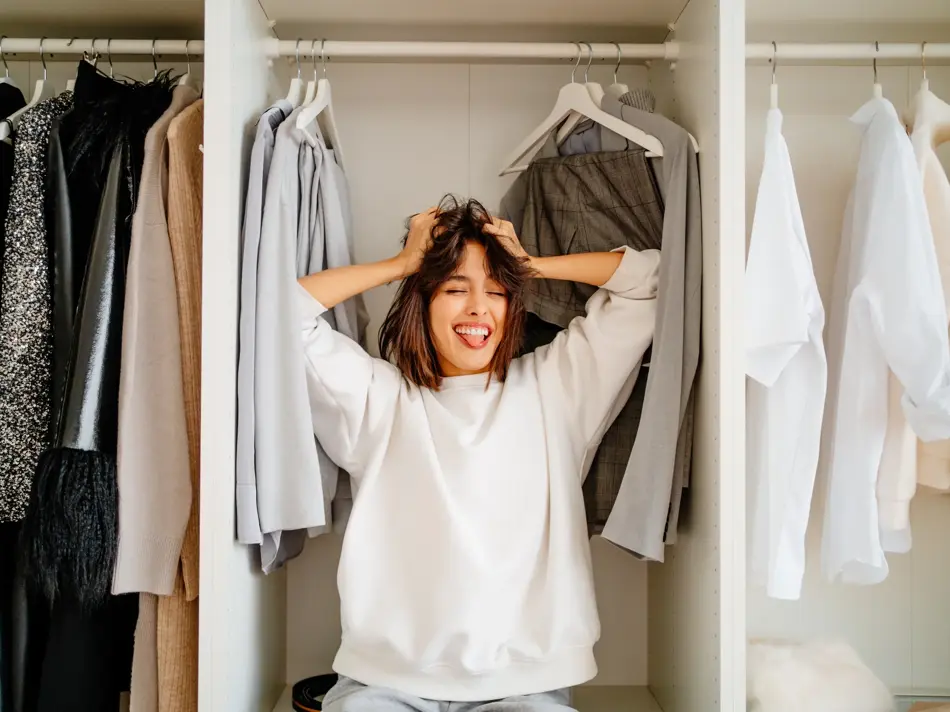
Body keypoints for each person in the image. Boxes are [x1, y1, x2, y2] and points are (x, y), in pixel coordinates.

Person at [297, 196, 660, 711]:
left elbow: (650, 283)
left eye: (496, 290)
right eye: (453, 288)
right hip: (385, 684)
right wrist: (400, 265)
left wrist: (530, 266)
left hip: (523, 687)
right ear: (421, 299)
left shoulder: (557, 387)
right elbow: (281, 315)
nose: (477, 308)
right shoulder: (379, 401)